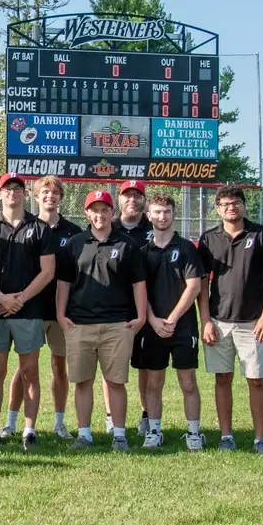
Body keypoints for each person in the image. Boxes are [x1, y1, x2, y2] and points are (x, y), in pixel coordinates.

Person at [57, 190, 147, 452]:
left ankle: (119, 435)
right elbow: (63, 284)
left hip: (117, 323)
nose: (100, 214)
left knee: (116, 382)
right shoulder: (74, 243)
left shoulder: (126, 244)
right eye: (94, 210)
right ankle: (84, 434)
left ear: (112, 213)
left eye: (105, 209)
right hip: (79, 323)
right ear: (87, 213)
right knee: (82, 381)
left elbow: (138, 283)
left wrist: (140, 316)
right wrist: (61, 316)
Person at [0, 172, 54, 451]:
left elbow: (48, 272)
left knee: (30, 371)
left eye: (18, 188)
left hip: (29, 310)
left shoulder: (40, 228)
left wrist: (20, 298)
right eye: (7, 188)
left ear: (25, 193)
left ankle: (29, 431)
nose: (13, 193)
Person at [198, 186, 263, 455]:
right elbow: (201, 283)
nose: (231, 207)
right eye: (225, 204)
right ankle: (226, 437)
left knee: (256, 379)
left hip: (252, 321)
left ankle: (260, 439)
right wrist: (205, 321)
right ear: (218, 208)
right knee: (223, 378)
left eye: (236, 203)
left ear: (244, 206)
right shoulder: (209, 238)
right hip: (219, 321)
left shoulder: (260, 234)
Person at [2, 176, 82, 440]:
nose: (51, 196)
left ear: (61, 198)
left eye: (55, 192)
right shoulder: (25, 226)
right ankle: (11, 422)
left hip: (61, 312)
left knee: (60, 368)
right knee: (24, 369)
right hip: (30, 309)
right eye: (45, 192)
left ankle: (59, 423)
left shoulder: (72, 232)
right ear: (35, 197)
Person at [136, 194, 205, 451]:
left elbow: (194, 286)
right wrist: (153, 320)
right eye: (157, 212)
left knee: (188, 383)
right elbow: (140, 291)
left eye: (166, 211)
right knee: (154, 383)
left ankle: (193, 434)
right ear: (149, 216)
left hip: (182, 327)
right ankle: (154, 432)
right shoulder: (143, 252)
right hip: (153, 328)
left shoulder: (186, 248)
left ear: (174, 215)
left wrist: (173, 319)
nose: (162, 216)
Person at [106, 180, 155, 435]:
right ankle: (110, 415)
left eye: (137, 195)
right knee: (111, 363)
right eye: (128, 195)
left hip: (147, 305)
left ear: (143, 201)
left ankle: (146, 415)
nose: (132, 200)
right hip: (113, 305)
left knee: (145, 364)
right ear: (119, 199)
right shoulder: (107, 227)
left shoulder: (153, 227)